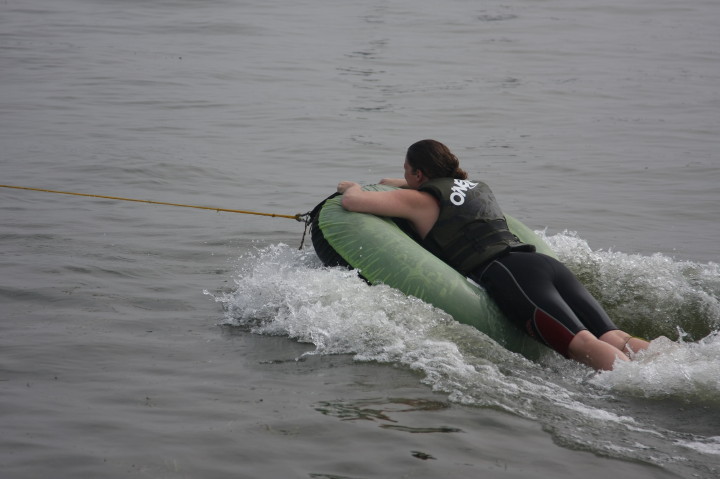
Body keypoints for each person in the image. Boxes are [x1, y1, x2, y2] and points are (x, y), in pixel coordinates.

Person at [336, 139, 650, 371]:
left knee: (582, 344)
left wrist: (350, 187)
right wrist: (402, 180)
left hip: (509, 273)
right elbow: (396, 185)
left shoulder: (417, 202)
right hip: (543, 264)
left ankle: (636, 387)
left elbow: (354, 203)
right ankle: (666, 365)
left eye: (407, 171)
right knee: (614, 335)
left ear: (419, 175)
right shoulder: (478, 187)